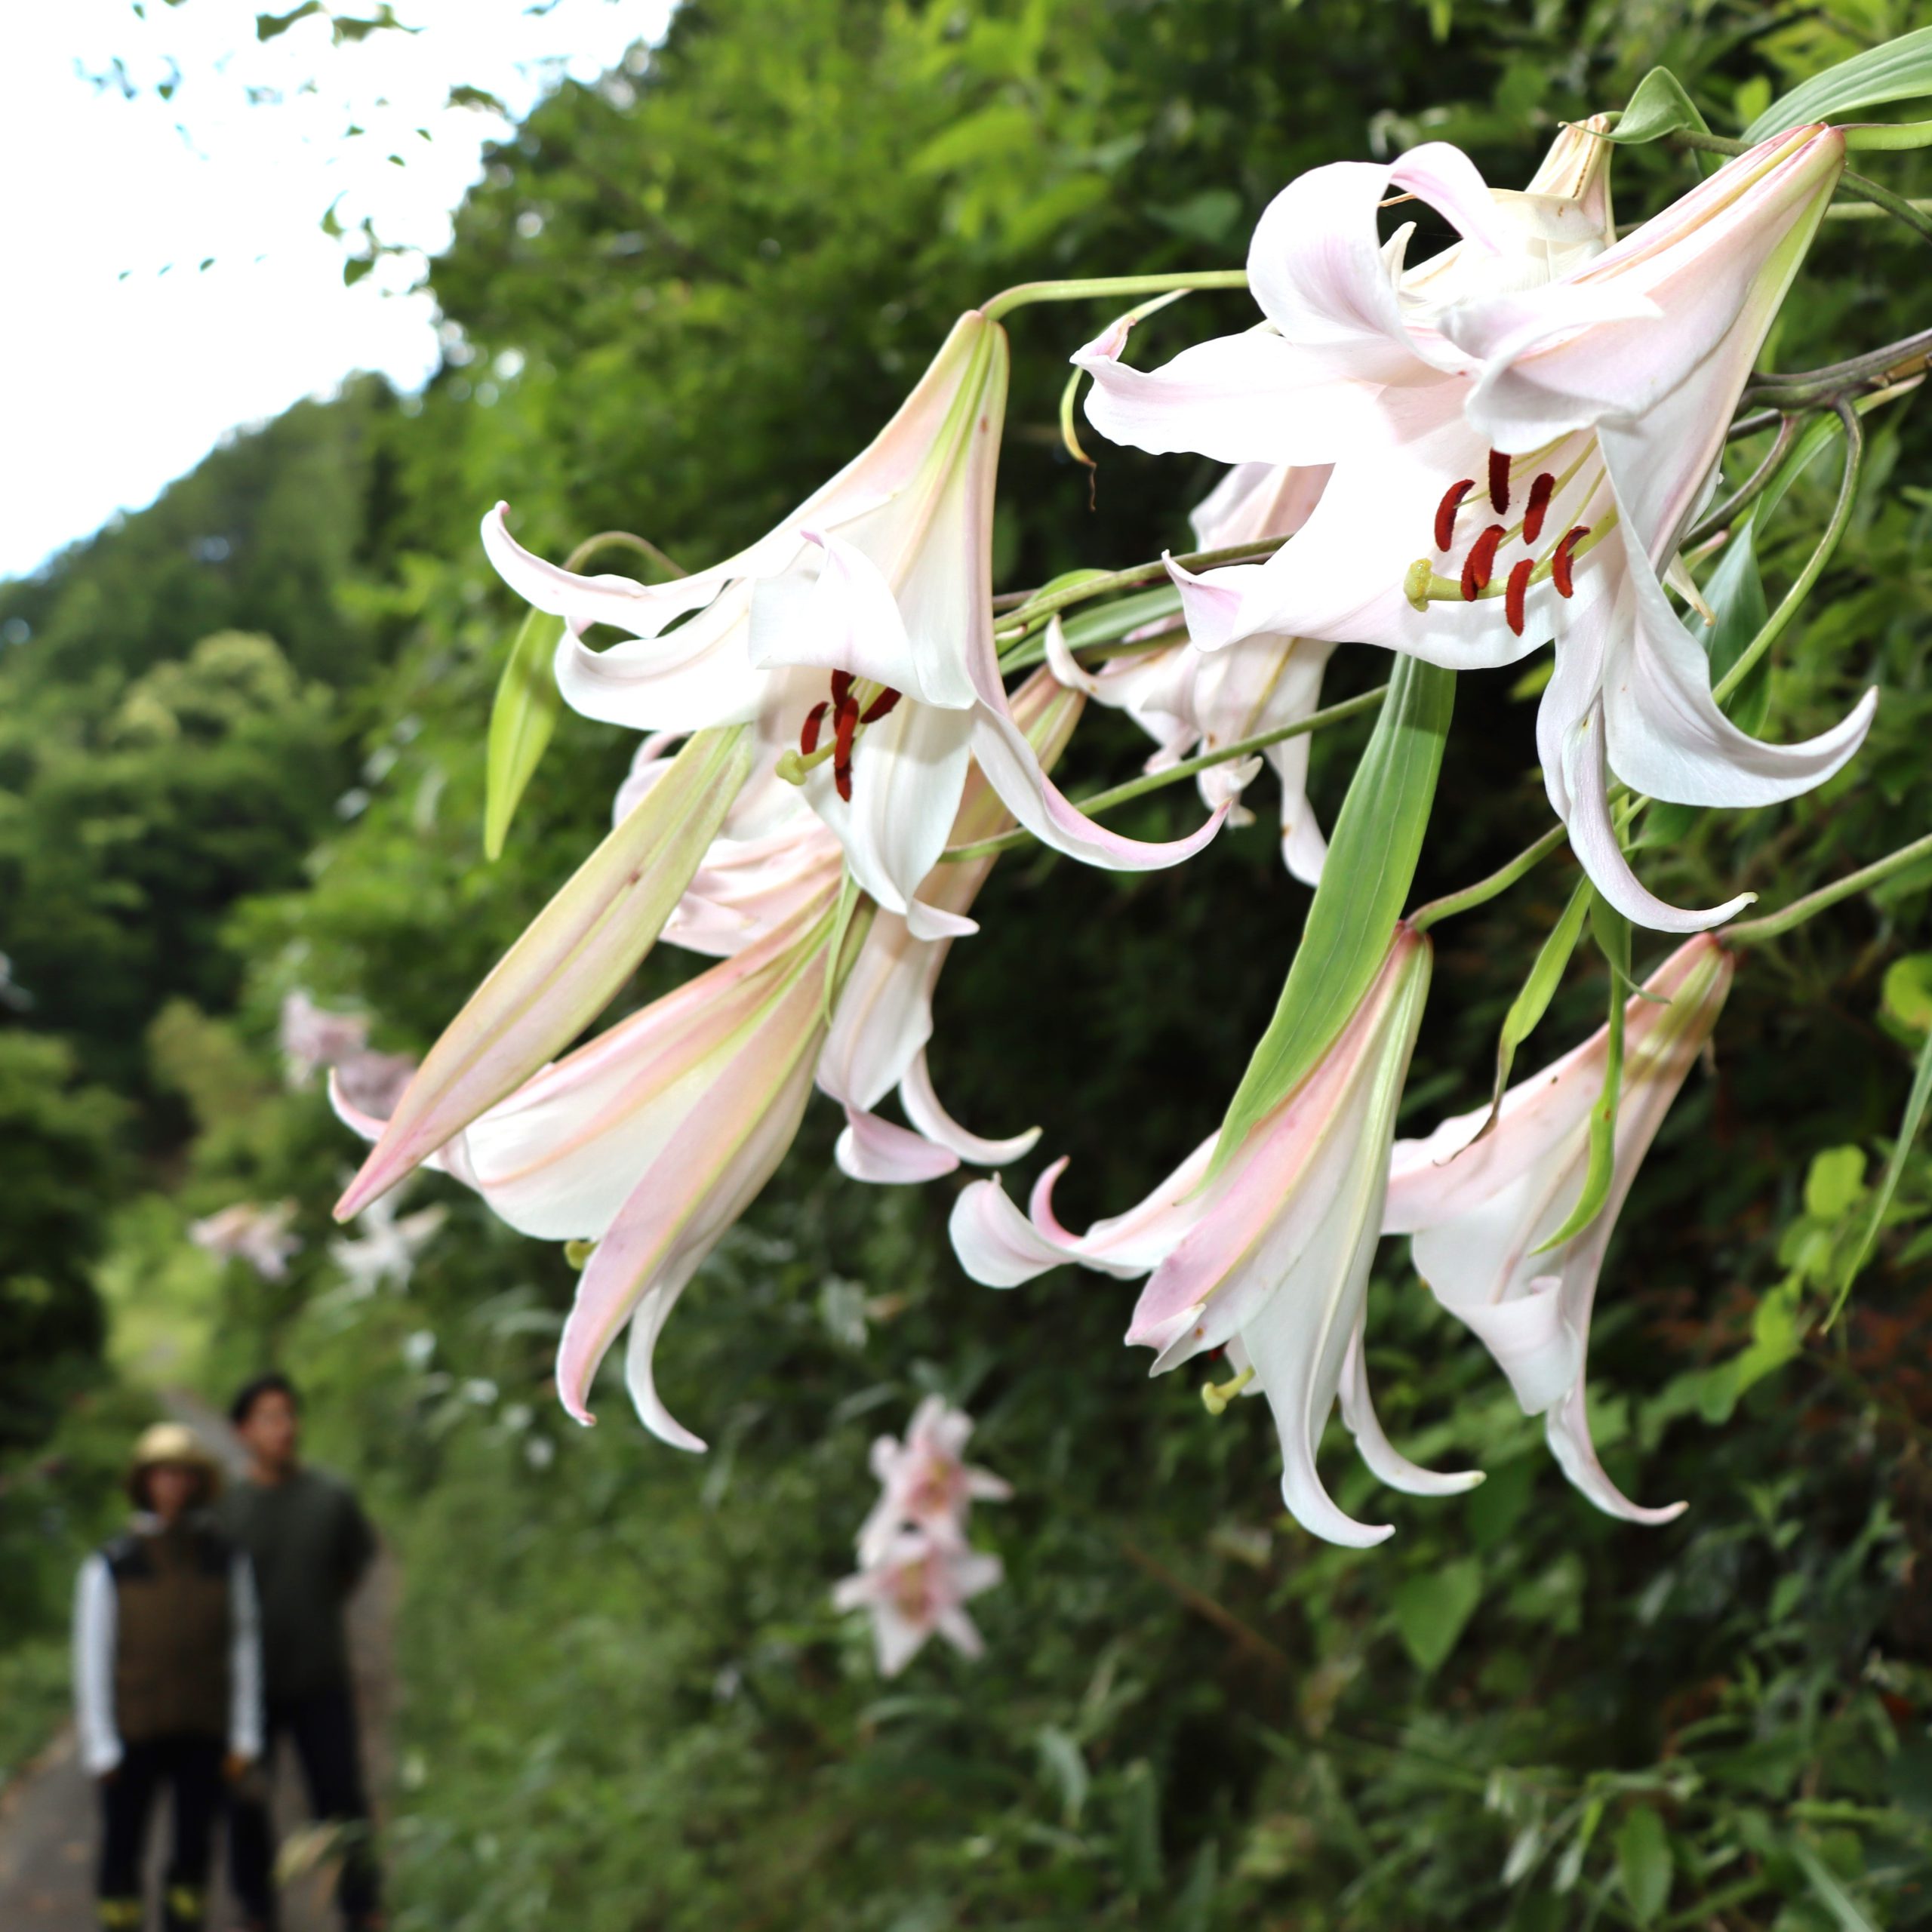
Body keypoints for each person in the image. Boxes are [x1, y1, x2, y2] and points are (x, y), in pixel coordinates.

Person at [74, 1421, 263, 1932]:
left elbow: (244, 1645)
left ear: (198, 1483)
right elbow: (92, 1658)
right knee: (122, 1849)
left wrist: (245, 1733)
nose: (173, 1487)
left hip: (203, 1731)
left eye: (183, 1475)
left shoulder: (225, 1561)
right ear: (144, 1482)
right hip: (133, 1735)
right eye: (163, 1475)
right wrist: (100, 1742)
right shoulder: (112, 1565)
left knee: (194, 1851)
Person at [221, 1374, 383, 1932]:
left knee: (340, 1798)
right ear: (243, 1430)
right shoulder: (226, 1513)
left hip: (321, 1678)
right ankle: (256, 1908)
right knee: (245, 1800)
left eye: (289, 1414)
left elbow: (353, 1565)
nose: (283, 1428)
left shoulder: (330, 1498)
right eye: (268, 1417)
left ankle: (360, 1905)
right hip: (250, 1692)